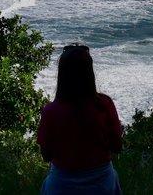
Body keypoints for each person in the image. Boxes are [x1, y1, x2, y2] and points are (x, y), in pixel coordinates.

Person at [37, 44, 123, 194]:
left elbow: (46, 155)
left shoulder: (50, 111)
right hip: (102, 184)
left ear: (62, 74)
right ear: (89, 73)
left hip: (61, 185)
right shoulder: (104, 105)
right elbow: (117, 147)